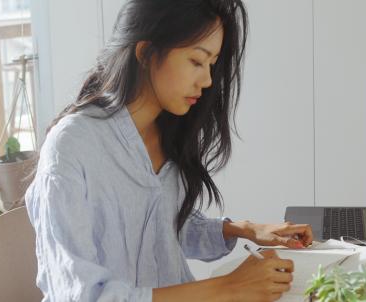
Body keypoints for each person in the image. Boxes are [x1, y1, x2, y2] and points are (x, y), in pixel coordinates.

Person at [24, 0, 313, 301]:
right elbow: (80, 294)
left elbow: (165, 229)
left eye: (212, 65)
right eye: (196, 61)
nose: (208, 80)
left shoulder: (166, 136)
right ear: (146, 53)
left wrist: (243, 229)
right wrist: (229, 287)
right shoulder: (72, 146)